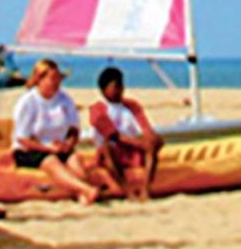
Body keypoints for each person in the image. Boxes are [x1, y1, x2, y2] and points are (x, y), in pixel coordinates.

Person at [11, 58, 102, 205]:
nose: (56, 83)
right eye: (52, 79)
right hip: (31, 150)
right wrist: (47, 148)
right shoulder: (28, 102)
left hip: (58, 146)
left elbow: (73, 129)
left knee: (75, 161)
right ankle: (86, 189)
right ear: (40, 79)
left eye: (58, 79)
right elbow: (22, 138)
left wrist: (68, 144)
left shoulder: (65, 100)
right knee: (50, 161)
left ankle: (82, 194)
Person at [88, 66, 164, 200]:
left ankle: (145, 189)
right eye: (115, 87)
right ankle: (126, 189)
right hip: (113, 151)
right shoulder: (97, 110)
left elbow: (145, 127)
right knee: (107, 147)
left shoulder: (132, 106)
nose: (119, 90)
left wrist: (151, 139)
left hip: (132, 151)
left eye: (120, 86)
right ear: (104, 89)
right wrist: (139, 143)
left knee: (154, 141)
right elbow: (114, 136)